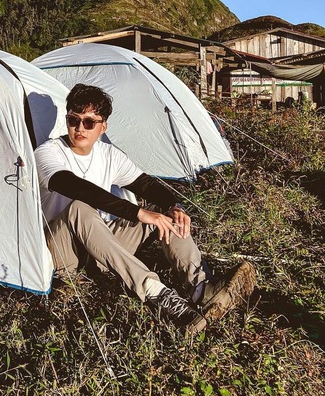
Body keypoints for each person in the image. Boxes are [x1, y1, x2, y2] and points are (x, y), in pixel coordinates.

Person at [34, 83, 256, 333]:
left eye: (89, 122)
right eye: (73, 120)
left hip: (101, 248)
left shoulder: (108, 154)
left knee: (164, 216)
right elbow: (74, 186)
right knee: (80, 208)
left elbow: (146, 184)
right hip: (64, 253)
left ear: (103, 126)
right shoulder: (48, 152)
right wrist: (135, 211)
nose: (79, 128)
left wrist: (174, 206)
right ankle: (157, 293)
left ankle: (202, 289)